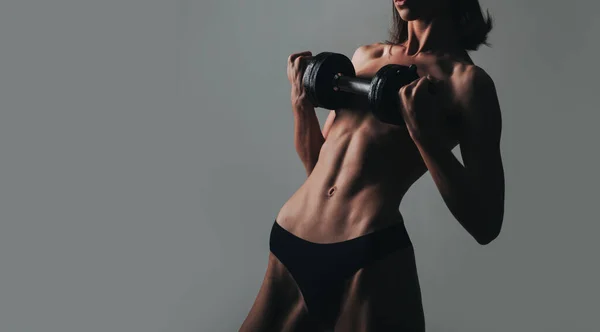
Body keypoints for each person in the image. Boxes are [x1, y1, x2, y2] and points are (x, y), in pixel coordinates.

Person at [240, 0, 505, 330]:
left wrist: (424, 137)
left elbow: (486, 222)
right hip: (288, 241)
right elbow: (317, 166)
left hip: (366, 258)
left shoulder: (466, 85)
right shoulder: (365, 56)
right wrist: (301, 104)